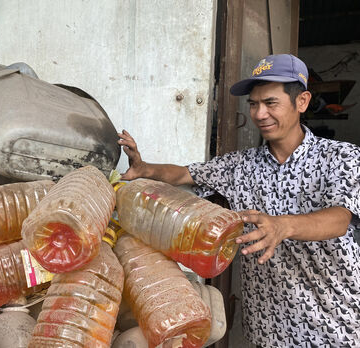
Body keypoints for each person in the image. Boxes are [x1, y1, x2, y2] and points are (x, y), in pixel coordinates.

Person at [117, 54, 360, 347]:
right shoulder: (241, 166)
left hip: (331, 324)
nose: (259, 114)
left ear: (302, 101)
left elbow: (340, 219)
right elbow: (185, 174)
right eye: (254, 104)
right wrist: (146, 169)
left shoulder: (341, 157)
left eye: (270, 103)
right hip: (267, 326)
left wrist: (282, 226)